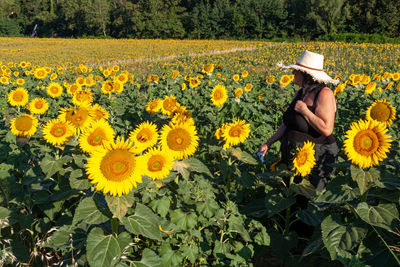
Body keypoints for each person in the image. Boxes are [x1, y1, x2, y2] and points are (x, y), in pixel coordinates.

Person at [258, 50, 339, 191]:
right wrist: (268, 143)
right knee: (291, 194)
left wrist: (305, 111)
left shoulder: (324, 93)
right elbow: (288, 123)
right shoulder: (300, 93)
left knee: (310, 197)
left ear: (306, 75)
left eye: (296, 71)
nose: (292, 74)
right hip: (293, 154)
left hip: (315, 157)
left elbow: (327, 129)